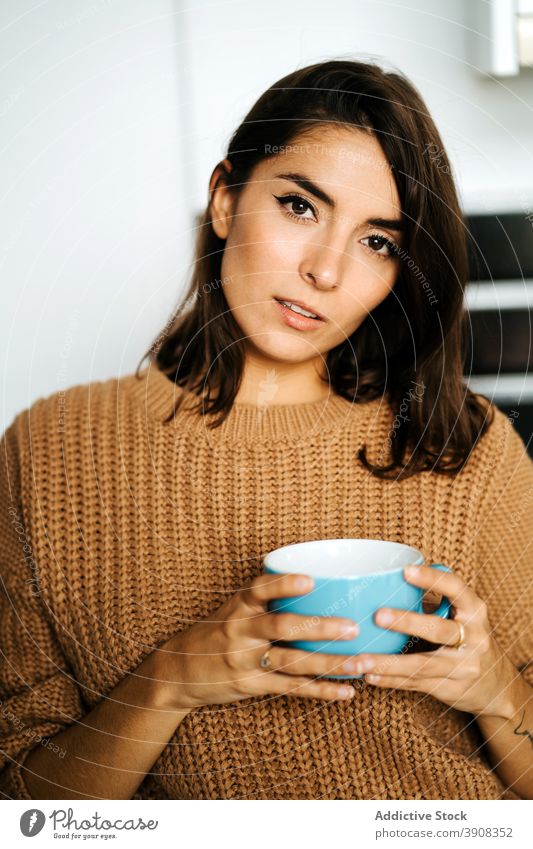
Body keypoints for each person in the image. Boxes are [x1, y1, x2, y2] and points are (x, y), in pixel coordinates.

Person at [0, 58, 532, 802]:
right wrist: (174, 678)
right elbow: (21, 804)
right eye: (299, 207)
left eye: (376, 241)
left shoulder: (462, 446)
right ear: (224, 199)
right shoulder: (49, 451)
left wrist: (494, 687)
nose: (324, 269)